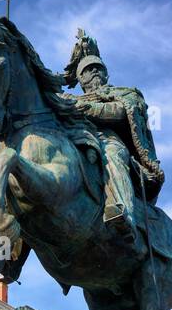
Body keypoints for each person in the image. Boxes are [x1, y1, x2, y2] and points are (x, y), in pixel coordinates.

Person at [63, 29, 164, 244]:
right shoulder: (70, 99)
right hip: (77, 139)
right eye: (89, 70)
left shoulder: (125, 93)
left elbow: (120, 112)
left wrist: (84, 107)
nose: (95, 72)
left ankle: (123, 213)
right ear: (81, 78)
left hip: (108, 139)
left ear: (106, 73)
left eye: (98, 68)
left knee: (114, 155)